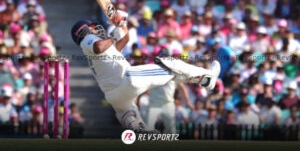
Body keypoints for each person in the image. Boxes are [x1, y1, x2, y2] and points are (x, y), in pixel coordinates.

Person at [70, 10, 220, 133]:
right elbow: (99, 47)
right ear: (83, 31)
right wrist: (112, 36)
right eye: (92, 27)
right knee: (170, 63)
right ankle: (206, 78)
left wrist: (121, 25)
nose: (96, 29)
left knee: (127, 113)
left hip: (113, 95)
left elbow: (123, 41)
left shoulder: (98, 51)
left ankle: (140, 130)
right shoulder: (87, 39)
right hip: (127, 80)